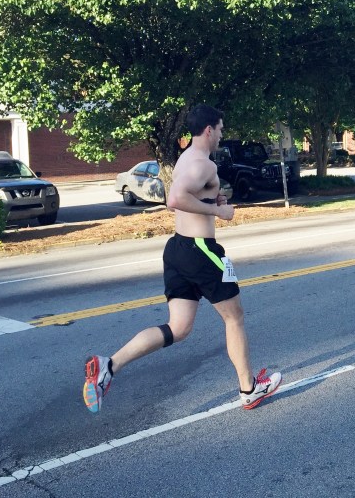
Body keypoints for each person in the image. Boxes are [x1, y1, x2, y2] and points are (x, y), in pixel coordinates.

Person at [83, 104, 281, 413]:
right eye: (220, 130)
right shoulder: (204, 164)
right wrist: (218, 211)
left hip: (177, 249)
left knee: (178, 328)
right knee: (235, 317)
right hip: (201, 250)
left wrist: (211, 199)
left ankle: (108, 365)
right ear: (209, 130)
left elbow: (186, 195)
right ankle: (249, 389)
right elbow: (175, 199)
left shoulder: (186, 159)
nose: (222, 135)